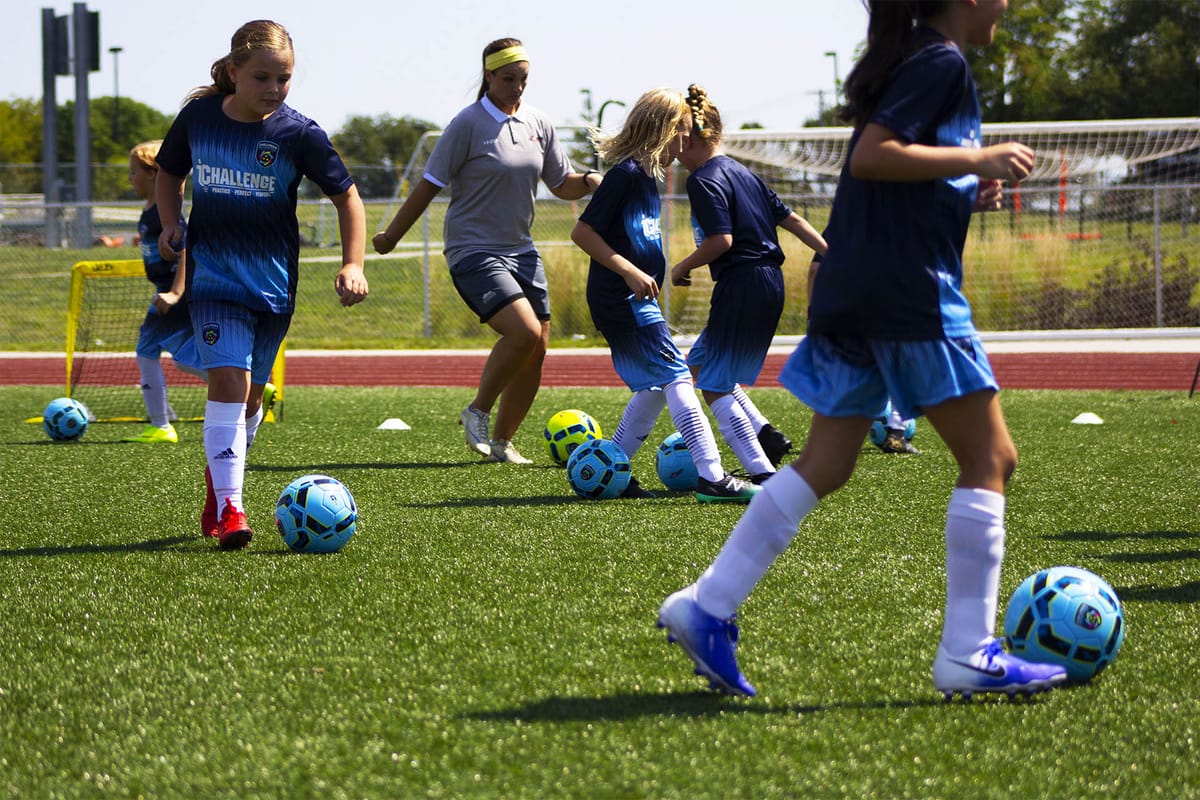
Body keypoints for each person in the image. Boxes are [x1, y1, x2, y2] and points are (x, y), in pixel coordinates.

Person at [657, 0, 1068, 699]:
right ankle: (968, 653)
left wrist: (965, 187)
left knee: (826, 463)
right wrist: (978, 155)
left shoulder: (910, 57)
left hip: (858, 283)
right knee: (991, 458)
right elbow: (875, 155)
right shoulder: (940, 61)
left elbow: (888, 178)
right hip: (906, 293)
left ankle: (706, 605)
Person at [156, 19, 368, 550]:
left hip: (272, 285)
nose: (274, 88)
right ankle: (232, 507)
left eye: (284, 78)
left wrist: (353, 263)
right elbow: (167, 172)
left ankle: (217, 484)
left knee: (250, 398)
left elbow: (348, 196)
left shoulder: (298, 133)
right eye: (262, 77)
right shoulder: (200, 118)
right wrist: (169, 222)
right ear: (233, 72)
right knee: (227, 382)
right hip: (213, 279)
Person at [373, 37, 597, 465]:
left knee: (538, 349)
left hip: (522, 251)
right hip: (473, 249)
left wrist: (587, 180)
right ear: (489, 76)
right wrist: (391, 237)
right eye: (508, 78)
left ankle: (502, 443)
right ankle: (477, 410)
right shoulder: (467, 124)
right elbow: (429, 186)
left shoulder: (539, 123)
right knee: (524, 332)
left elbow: (560, 183)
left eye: (523, 79)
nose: (517, 87)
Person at [570, 88, 760, 504]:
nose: (686, 142)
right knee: (676, 374)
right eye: (683, 133)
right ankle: (712, 475)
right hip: (619, 299)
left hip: (636, 300)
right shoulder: (625, 176)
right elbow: (582, 232)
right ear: (665, 130)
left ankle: (611, 467)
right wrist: (630, 270)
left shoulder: (646, 177)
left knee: (656, 387)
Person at [670, 85, 828, 483]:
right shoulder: (745, 174)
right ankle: (765, 434)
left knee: (714, 386)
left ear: (686, 138)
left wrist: (681, 267)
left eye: (672, 139)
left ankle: (762, 472)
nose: (670, 150)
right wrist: (830, 252)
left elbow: (720, 241)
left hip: (742, 282)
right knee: (702, 362)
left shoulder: (703, 180)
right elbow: (792, 220)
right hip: (769, 281)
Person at [121, 139, 206, 445]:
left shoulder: (164, 212)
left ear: (154, 173)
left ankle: (161, 425)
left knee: (146, 351)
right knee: (184, 359)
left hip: (172, 293)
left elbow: (186, 251)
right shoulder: (150, 212)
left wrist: (175, 293)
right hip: (165, 289)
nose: (130, 178)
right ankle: (247, 385)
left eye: (135, 172)